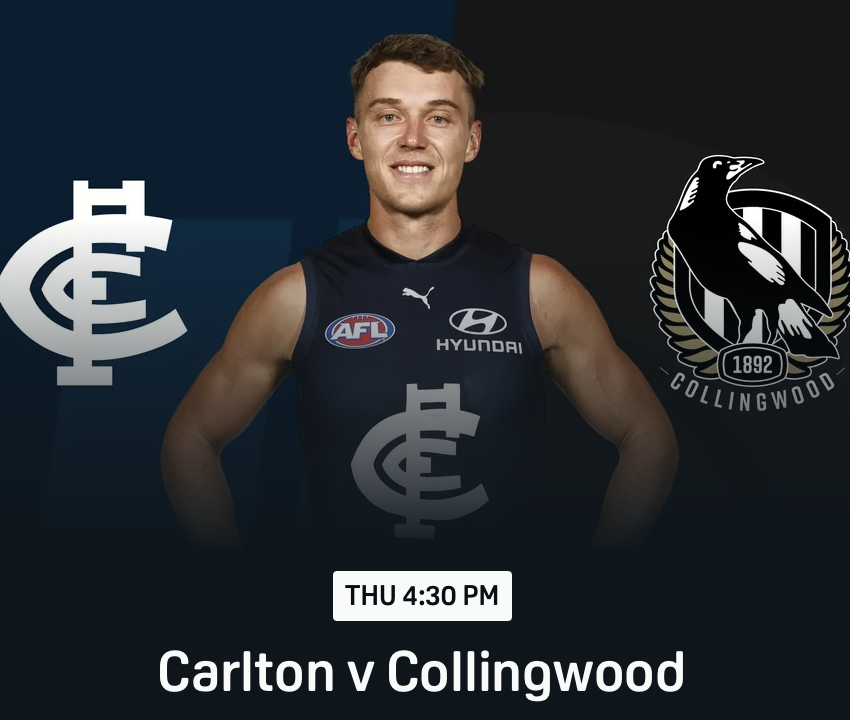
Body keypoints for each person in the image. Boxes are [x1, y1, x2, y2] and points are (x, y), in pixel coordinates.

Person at [160, 33, 678, 554]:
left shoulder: (537, 287)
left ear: (471, 141)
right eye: (388, 116)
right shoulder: (296, 295)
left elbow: (648, 438)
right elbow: (190, 440)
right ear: (355, 137)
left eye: (438, 117)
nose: (412, 139)